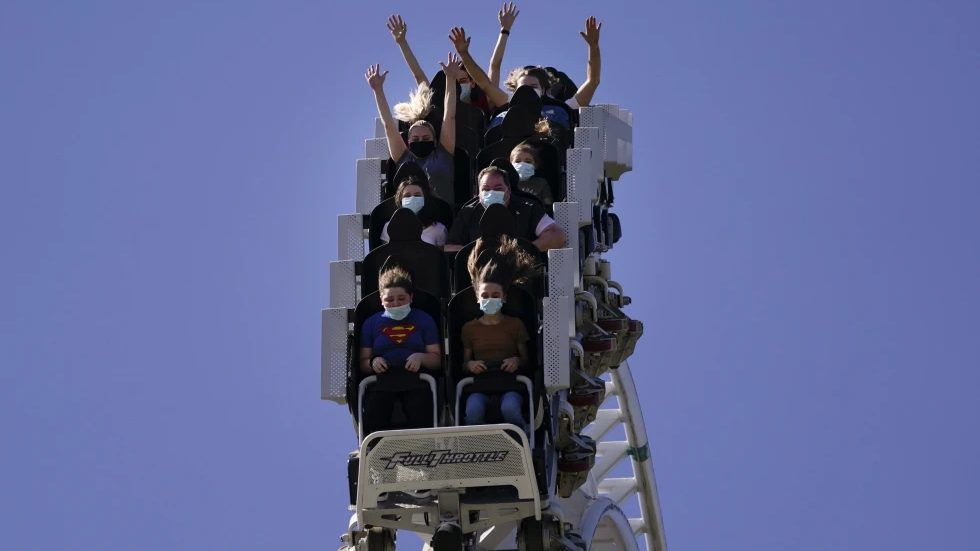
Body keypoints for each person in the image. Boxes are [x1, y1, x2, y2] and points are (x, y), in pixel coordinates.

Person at [448, 16, 602, 126]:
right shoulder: (508, 103)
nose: (527, 91)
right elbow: (484, 83)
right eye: (523, 88)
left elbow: (593, 81)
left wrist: (593, 47)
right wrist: (464, 54)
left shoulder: (563, 108)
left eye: (533, 87)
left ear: (545, 89)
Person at [461, 237, 538, 436]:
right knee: (473, 411)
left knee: (510, 409)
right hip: (481, 384)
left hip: (509, 383)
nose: (490, 299)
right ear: (477, 298)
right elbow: (464, 363)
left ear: (503, 298)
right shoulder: (469, 328)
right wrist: (470, 366)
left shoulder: (515, 324)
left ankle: (523, 436)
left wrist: (516, 361)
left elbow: (526, 359)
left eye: (495, 296)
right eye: (485, 296)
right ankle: (478, 445)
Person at [386, 6, 518, 117]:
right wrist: (401, 42)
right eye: (455, 83)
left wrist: (504, 30)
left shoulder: (487, 100)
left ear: (473, 83)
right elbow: (419, 76)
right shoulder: (439, 105)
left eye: (462, 81)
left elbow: (495, 66)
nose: (459, 88)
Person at [365, 56, 463, 205]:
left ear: (435, 140)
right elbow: (389, 126)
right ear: (409, 142)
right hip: (410, 221)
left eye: (425, 138)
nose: (421, 141)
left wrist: (450, 79)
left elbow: (449, 117)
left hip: (441, 221)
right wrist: (378, 91)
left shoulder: (444, 153)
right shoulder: (404, 159)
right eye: (416, 140)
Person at [359, 267, 442, 436]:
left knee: (418, 406)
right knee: (376, 408)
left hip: (417, 378)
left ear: (411, 298)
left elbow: (436, 359)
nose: (396, 304)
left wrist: (421, 357)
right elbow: (363, 362)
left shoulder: (424, 319)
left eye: (401, 298)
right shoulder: (371, 323)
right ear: (381, 300)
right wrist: (373, 363)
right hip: (383, 379)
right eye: (390, 299)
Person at [444, 166, 565, 252]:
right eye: (486, 189)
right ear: (478, 193)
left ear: (509, 190)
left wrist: (522, 251)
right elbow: (450, 247)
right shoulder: (467, 213)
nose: (491, 192)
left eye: (498, 188)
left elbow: (556, 236)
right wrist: (478, 253)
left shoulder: (528, 208)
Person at [381, 177, 448, 246]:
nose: (412, 198)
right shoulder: (389, 227)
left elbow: (440, 254)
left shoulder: (439, 229)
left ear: (425, 199)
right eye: (407, 195)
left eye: (417, 195)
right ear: (400, 200)